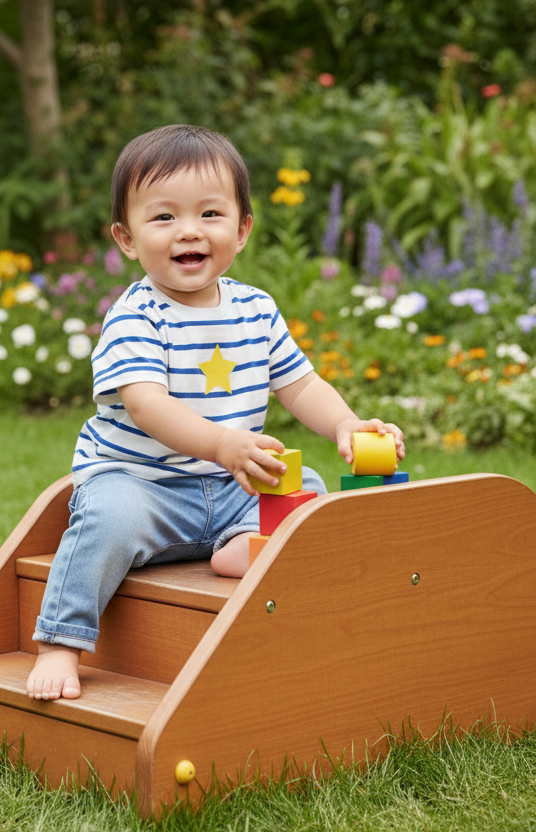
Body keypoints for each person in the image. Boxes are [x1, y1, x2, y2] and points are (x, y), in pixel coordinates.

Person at [26, 124, 405, 701]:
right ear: (126, 239)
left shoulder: (256, 309)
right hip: (144, 486)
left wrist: (346, 423)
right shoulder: (136, 315)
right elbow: (147, 405)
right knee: (106, 519)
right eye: (163, 218)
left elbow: (300, 384)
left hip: (233, 489)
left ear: (242, 229)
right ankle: (61, 641)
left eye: (209, 214)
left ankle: (240, 547)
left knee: (311, 494)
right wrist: (223, 445)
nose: (188, 232)